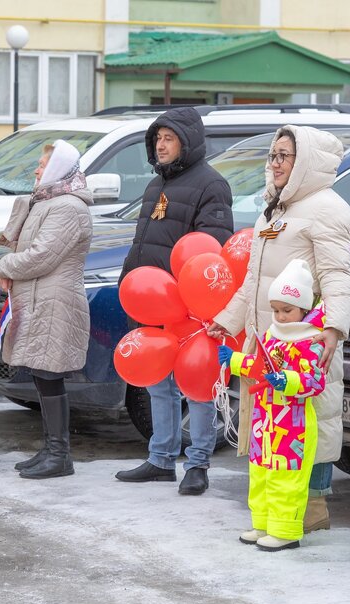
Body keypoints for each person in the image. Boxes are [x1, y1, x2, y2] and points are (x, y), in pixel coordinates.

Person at [210, 126, 350, 531]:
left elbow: (337, 276)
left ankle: (312, 506)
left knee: (311, 421)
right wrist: (228, 320)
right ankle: (278, 504)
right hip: (271, 339)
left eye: (283, 155)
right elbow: (253, 280)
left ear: (304, 160)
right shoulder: (274, 210)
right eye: (272, 155)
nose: (274, 164)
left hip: (307, 340)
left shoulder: (326, 208)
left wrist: (334, 329)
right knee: (274, 429)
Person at [114, 107, 234, 496]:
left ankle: (197, 463)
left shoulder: (211, 185)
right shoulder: (156, 185)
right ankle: (161, 458)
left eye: (168, 138)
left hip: (188, 307)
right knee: (157, 384)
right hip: (152, 303)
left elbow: (209, 250)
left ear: (187, 142)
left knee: (195, 385)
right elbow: (143, 244)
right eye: (157, 139)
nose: (160, 146)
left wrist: (193, 299)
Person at [0, 141, 93, 480]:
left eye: (42, 164)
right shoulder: (47, 202)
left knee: (50, 376)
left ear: (56, 169)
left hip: (56, 303)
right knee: (41, 374)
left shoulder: (67, 207)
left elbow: (42, 256)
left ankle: (59, 454)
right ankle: (51, 447)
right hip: (41, 302)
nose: (36, 169)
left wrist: (4, 265)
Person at [219, 259, 327, 551]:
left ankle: (286, 530)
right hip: (265, 419)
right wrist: (235, 360)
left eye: (287, 310)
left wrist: (287, 381)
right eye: (276, 310)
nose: (279, 316)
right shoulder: (273, 335)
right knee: (261, 474)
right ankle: (263, 523)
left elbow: (313, 381)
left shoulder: (311, 341)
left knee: (286, 479)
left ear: (304, 309)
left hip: (294, 426)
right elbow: (259, 366)